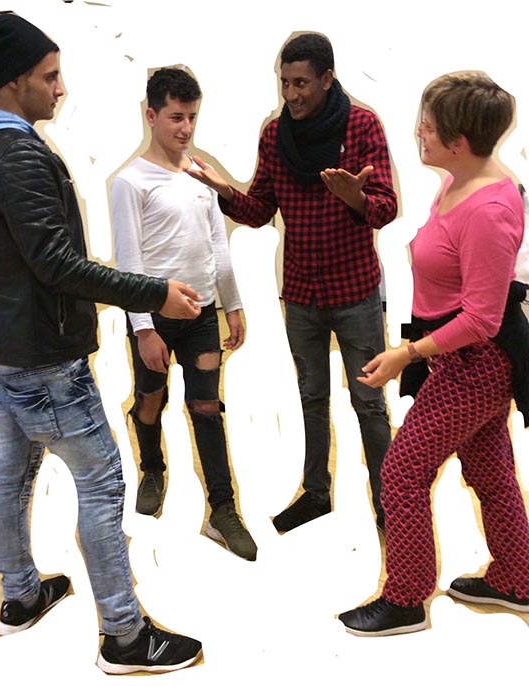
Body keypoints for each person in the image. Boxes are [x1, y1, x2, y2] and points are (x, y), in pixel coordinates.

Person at [0, 11, 203, 674]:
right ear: (12, 82)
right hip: (44, 359)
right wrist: (154, 293)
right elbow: (56, 265)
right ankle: (124, 635)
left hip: (0, 354)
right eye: (49, 76)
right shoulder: (16, 154)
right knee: (103, 479)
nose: (60, 89)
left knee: (11, 469)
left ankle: (20, 596)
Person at [338, 71, 529, 636]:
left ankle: (405, 599)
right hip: (458, 355)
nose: (418, 132)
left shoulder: (489, 209)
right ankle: (518, 581)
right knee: (490, 472)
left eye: (427, 125)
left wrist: (407, 353)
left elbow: (483, 318)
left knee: (401, 473)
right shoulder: (457, 180)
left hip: (475, 363)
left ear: (459, 142)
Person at [187, 32, 397, 533]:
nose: (291, 94)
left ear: (327, 78)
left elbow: (386, 208)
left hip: (356, 292)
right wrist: (224, 191)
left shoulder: (362, 125)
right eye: (285, 82)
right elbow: (261, 209)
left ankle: (390, 505)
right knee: (311, 398)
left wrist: (355, 198)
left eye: (301, 83)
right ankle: (317, 494)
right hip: (302, 295)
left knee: (369, 403)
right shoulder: (274, 135)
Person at [110, 67, 257, 561]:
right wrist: (143, 330)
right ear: (151, 116)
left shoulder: (198, 174)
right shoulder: (130, 182)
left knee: (206, 407)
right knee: (151, 400)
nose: (186, 128)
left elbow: (218, 245)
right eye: (176, 117)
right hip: (153, 317)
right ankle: (152, 469)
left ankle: (223, 510)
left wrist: (232, 304)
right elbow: (128, 262)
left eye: (192, 116)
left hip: (202, 317)